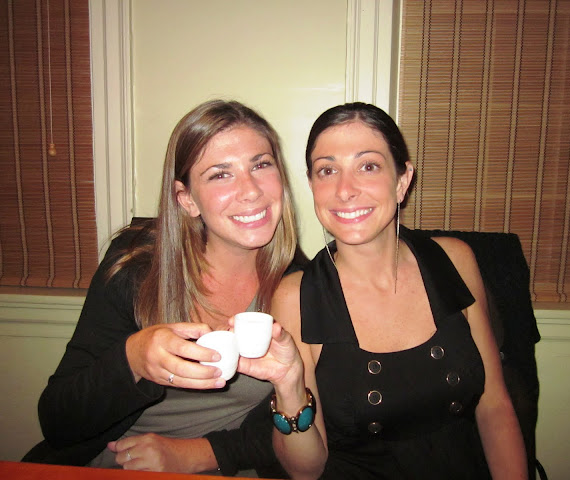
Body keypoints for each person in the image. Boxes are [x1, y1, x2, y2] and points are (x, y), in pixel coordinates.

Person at [22, 99, 300, 477]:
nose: (250, 190)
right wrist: (133, 359)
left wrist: (200, 453)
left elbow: (310, 421)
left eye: (261, 165)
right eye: (220, 174)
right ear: (187, 199)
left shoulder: (301, 284)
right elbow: (58, 420)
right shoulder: (136, 265)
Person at [264, 102, 529, 479]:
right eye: (327, 170)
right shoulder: (295, 298)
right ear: (312, 186)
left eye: (368, 166)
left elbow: (495, 406)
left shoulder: (455, 260)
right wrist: (289, 389)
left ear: (402, 181)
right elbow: (306, 471)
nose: (344, 190)